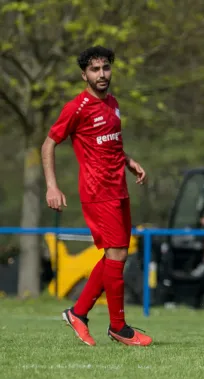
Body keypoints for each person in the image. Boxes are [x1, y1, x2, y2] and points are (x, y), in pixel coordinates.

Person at [41, 46, 152, 347]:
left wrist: (129, 162)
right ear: (84, 75)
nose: (101, 74)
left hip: (119, 188)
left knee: (117, 255)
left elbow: (110, 144)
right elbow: (48, 145)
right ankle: (119, 327)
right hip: (98, 191)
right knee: (116, 255)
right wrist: (52, 186)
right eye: (94, 69)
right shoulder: (76, 108)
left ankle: (78, 313)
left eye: (105, 68)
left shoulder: (113, 103)